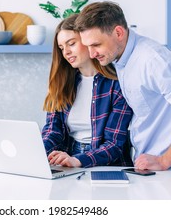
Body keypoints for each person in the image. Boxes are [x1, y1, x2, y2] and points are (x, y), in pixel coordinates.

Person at [75, 1, 171, 170]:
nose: (92, 53)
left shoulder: (154, 60)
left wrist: (164, 161)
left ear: (118, 32)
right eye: (87, 46)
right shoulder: (120, 58)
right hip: (147, 165)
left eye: (96, 45)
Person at [41, 14, 133, 168]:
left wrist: (78, 160)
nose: (66, 52)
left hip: (108, 165)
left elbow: (114, 144)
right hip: (67, 159)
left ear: (87, 40)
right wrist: (37, 153)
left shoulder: (118, 83)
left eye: (71, 44)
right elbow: (53, 131)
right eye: (62, 48)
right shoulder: (62, 83)